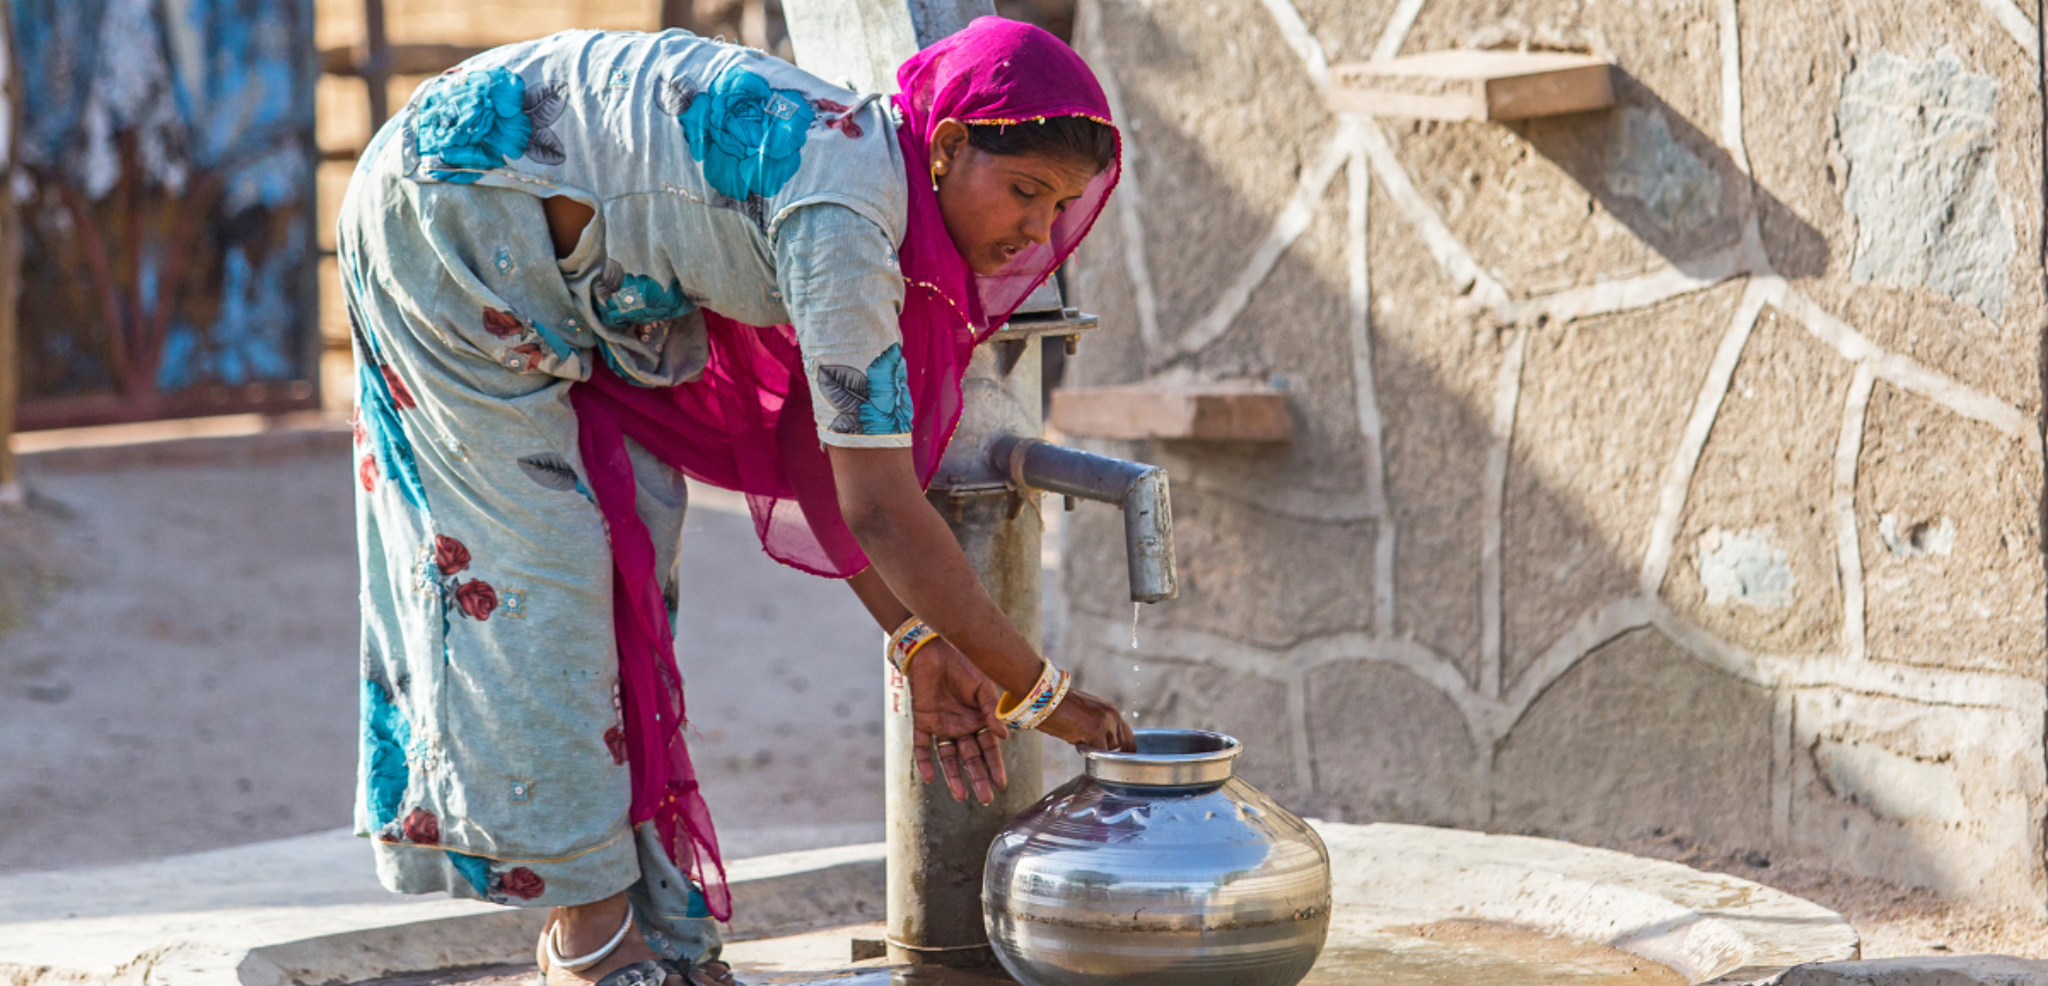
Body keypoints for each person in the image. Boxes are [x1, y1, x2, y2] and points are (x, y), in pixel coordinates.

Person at [336, 15, 1136, 986]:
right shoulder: (847, 221)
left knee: (635, 539)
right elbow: (880, 506)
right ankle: (586, 943)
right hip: (449, 214)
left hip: (569, 274)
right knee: (542, 573)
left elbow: (831, 473)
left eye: (1057, 205)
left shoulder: (876, 199)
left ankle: (661, 928)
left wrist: (923, 642)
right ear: (950, 143)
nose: (1035, 230)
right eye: (1023, 191)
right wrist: (1040, 691)